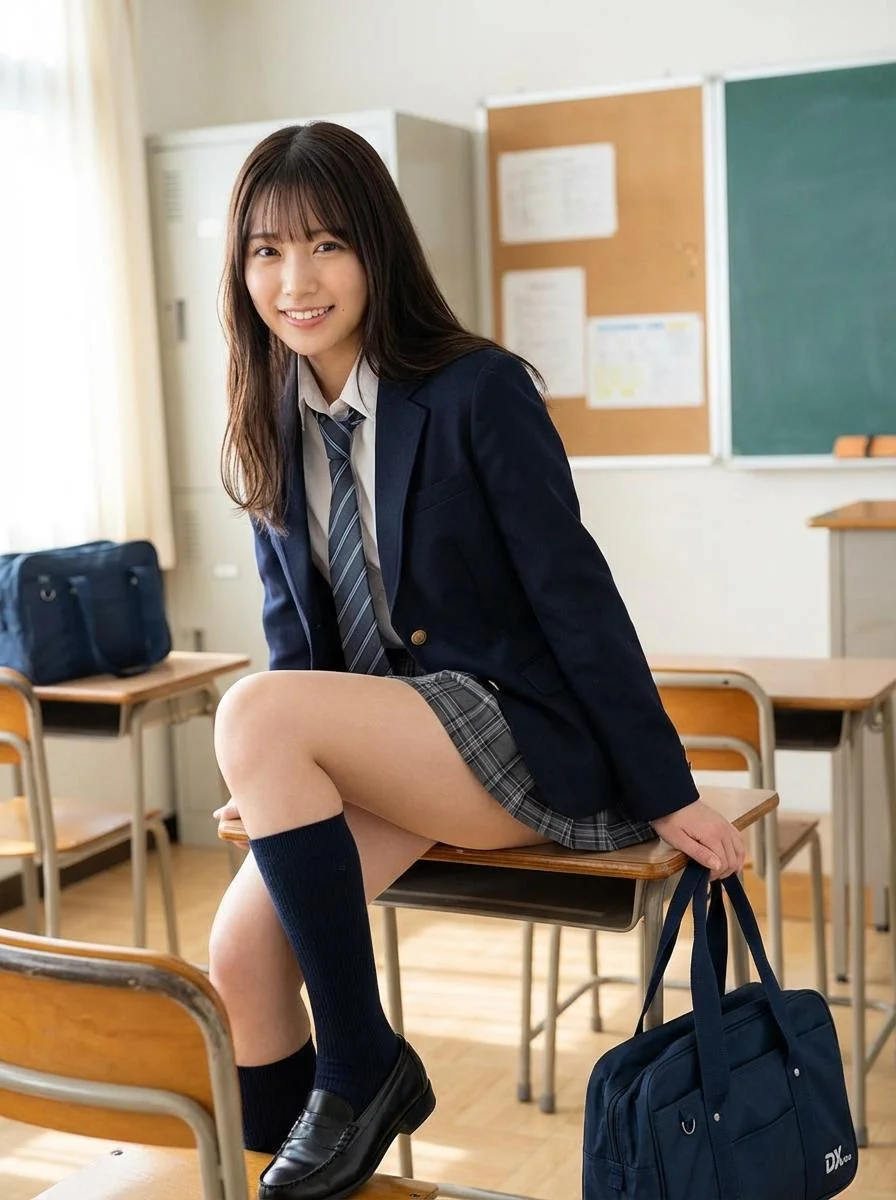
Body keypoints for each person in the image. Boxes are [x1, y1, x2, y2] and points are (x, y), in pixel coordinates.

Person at [208, 120, 746, 1200]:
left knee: (253, 711)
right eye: (266, 251)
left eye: (324, 244)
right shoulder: (271, 415)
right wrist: (273, 784)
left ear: (377, 250)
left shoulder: (474, 389)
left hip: (511, 733)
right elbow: (297, 636)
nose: (296, 278)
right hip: (392, 739)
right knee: (239, 957)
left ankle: (364, 1065)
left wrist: (664, 784)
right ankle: (282, 1169)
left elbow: (572, 593)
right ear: (241, 270)